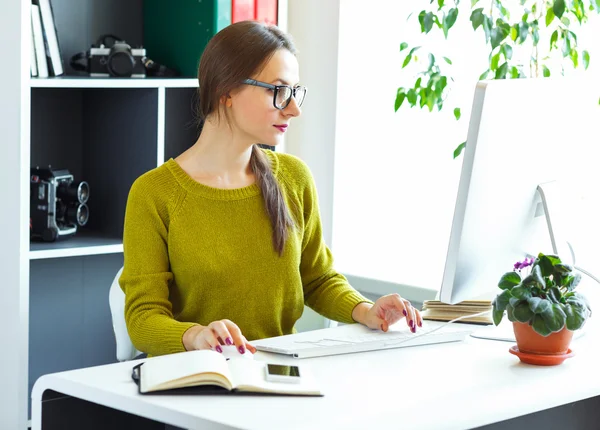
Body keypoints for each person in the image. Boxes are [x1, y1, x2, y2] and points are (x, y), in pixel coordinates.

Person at [120, 20, 422, 357]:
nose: (294, 109)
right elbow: (143, 319)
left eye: (295, 92)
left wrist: (366, 311)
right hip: (196, 380)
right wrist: (197, 336)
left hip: (277, 377)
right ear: (227, 90)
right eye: (278, 91)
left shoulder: (294, 178)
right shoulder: (154, 194)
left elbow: (317, 278)